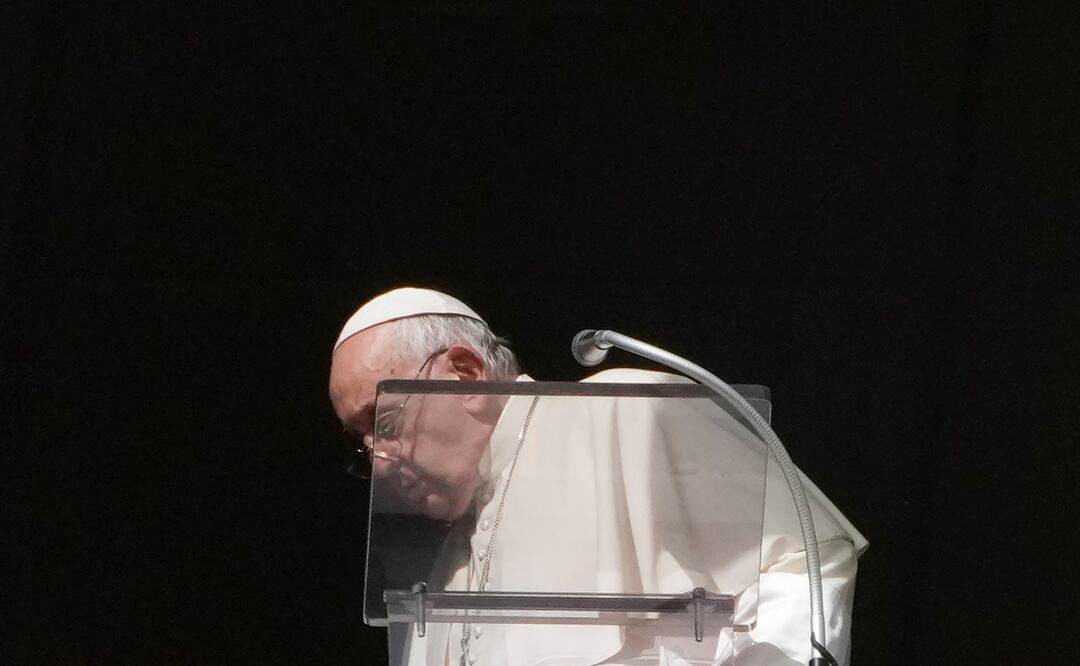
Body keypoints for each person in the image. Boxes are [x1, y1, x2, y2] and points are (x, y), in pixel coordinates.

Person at [329, 287, 868, 666]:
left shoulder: (619, 412)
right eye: (362, 443)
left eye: (386, 422)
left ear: (466, 373)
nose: (379, 459)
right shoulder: (429, 574)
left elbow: (799, 575)